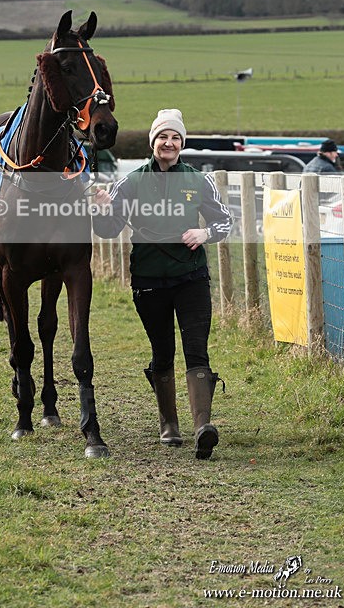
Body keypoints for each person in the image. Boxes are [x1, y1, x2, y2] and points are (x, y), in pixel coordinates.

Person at [93, 109, 232, 459]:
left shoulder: (198, 180)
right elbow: (108, 229)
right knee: (162, 351)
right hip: (149, 280)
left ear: (181, 143)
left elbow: (225, 221)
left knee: (196, 348)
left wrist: (205, 232)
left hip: (192, 279)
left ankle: (203, 427)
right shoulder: (131, 183)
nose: (168, 143)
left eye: (174, 138)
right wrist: (100, 208)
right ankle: (169, 424)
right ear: (152, 142)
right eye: (162, 137)